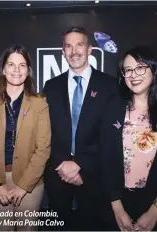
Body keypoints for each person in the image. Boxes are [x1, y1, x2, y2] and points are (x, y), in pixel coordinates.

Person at [43, 26, 119, 230]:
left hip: (93, 176)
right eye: (68, 46)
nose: (74, 51)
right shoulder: (50, 87)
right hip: (58, 175)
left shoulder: (109, 86)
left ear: (89, 49)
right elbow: (45, 132)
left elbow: (110, 135)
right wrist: (62, 164)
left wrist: (80, 165)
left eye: (79, 45)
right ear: (63, 52)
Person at [0, 44, 51, 231]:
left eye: (22, 65)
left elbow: (43, 147)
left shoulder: (39, 102)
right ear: (3, 69)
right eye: (11, 64)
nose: (16, 70)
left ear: (28, 71)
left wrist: (24, 186)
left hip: (29, 180)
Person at [101, 46, 157, 231]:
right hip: (118, 201)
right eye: (128, 70)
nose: (134, 74)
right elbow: (106, 159)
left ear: (153, 69)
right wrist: (116, 206)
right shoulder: (113, 108)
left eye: (140, 67)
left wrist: (155, 210)